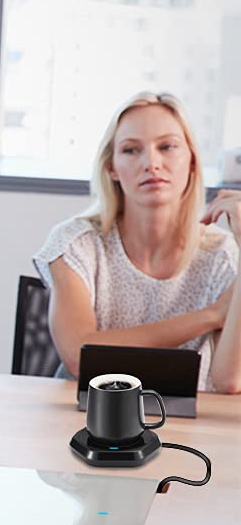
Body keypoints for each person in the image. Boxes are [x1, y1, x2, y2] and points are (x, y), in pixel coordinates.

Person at [35, 91, 240, 393]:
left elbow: (230, 380)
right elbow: (80, 358)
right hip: (89, 418)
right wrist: (210, 317)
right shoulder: (75, 244)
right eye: (131, 150)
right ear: (111, 168)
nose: (151, 163)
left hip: (190, 423)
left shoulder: (223, 255)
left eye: (167, 146)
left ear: (193, 162)